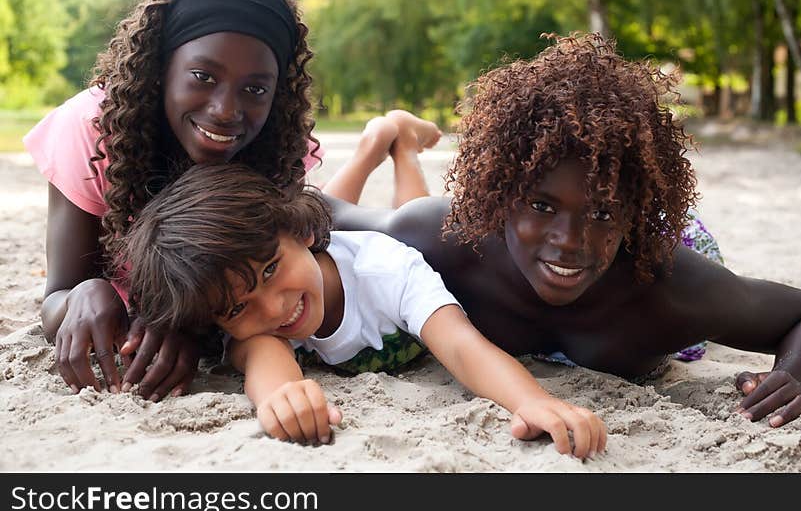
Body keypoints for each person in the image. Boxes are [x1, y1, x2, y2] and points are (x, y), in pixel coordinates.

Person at [328, 32, 801, 428]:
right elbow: (320, 209)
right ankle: (390, 139)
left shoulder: (671, 287)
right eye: (540, 204)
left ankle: (399, 141)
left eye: (600, 212)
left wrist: (796, 376)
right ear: (501, 195)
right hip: (470, 226)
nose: (570, 240)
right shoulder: (454, 239)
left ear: (629, 209)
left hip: (671, 238)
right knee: (407, 224)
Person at [23, 0, 439, 403]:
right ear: (163, 68)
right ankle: (375, 143)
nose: (225, 111)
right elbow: (56, 298)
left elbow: (319, 238)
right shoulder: (93, 134)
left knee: (390, 232)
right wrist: (87, 290)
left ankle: (394, 144)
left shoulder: (270, 141)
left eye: (255, 88)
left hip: (299, 217)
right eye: (203, 76)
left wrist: (187, 326)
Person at [117, 163, 607, 459]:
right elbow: (261, 355)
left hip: (420, 239)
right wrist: (282, 397)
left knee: (415, 208)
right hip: (330, 246)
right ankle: (379, 141)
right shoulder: (255, 323)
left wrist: (531, 401)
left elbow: (460, 345)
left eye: (270, 270)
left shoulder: (386, 270)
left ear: (301, 233)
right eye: (239, 306)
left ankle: (398, 146)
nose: (275, 308)